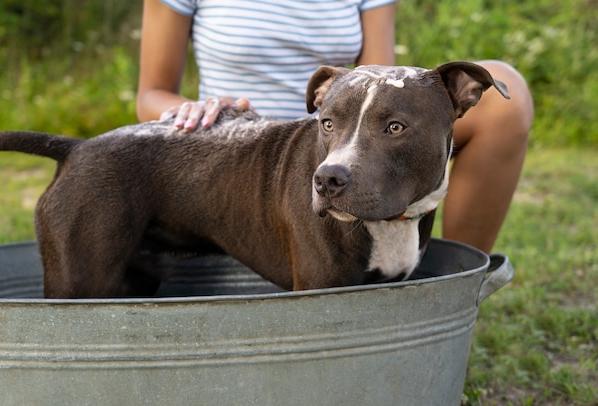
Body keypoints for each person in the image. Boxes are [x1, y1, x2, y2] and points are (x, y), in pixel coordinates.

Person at [136, 0, 534, 253]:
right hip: (245, 143)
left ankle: (453, 282)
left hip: (342, 134)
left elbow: (379, 80)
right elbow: (151, 94)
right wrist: (200, 109)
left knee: (506, 94)